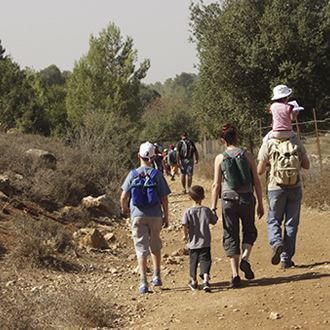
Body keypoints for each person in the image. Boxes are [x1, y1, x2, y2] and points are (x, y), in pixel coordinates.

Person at [211, 123, 264, 288]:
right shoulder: (246, 154)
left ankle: (234, 275)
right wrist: (260, 203)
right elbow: (256, 180)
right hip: (247, 198)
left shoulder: (220, 158)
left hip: (228, 200)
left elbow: (216, 185)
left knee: (230, 234)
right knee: (249, 230)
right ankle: (245, 259)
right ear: (237, 137)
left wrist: (213, 207)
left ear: (222, 140)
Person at [120, 141, 171, 294]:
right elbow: (164, 198)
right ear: (154, 157)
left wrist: (125, 210)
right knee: (155, 245)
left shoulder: (132, 174)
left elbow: (124, 196)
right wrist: (166, 217)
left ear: (138, 156)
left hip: (137, 215)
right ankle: (156, 276)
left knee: (141, 249)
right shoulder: (157, 175)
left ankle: (143, 282)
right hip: (155, 215)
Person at [257, 129, 310, 269]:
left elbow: (260, 170)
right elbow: (307, 165)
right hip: (295, 186)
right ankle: (286, 258)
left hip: (275, 187)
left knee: (274, 219)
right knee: (291, 224)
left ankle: (276, 243)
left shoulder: (268, 140)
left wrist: (270, 164)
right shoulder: (295, 139)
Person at [182, 185, 218, 292]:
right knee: (205, 260)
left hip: (192, 242)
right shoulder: (206, 210)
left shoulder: (188, 211)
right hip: (205, 242)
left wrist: (185, 235)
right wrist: (214, 211)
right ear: (203, 197)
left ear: (190, 197)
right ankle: (206, 281)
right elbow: (214, 221)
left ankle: (193, 281)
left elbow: (184, 224)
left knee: (193, 262)